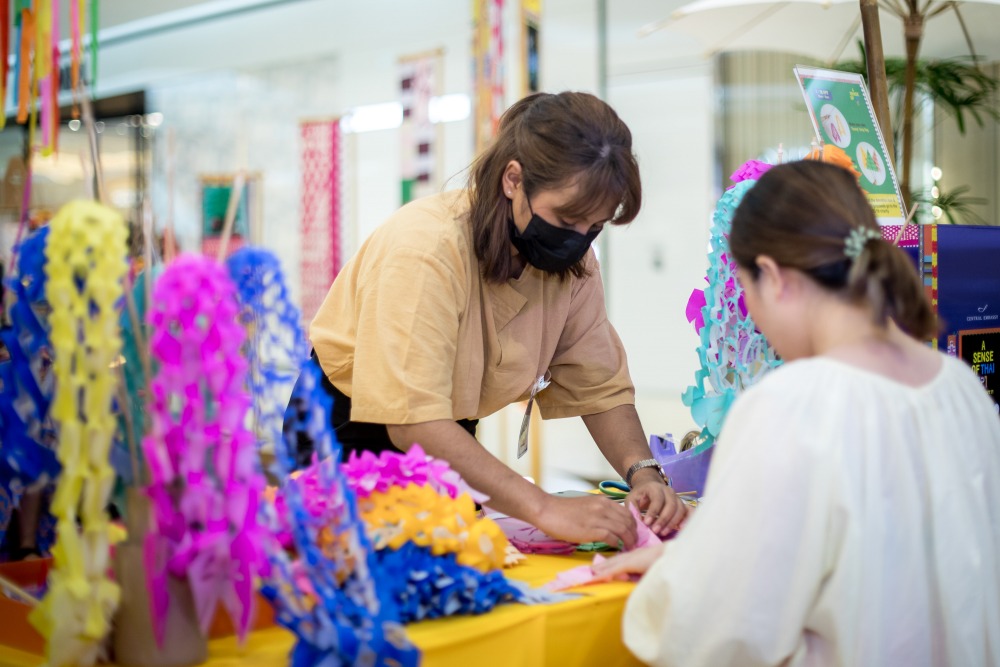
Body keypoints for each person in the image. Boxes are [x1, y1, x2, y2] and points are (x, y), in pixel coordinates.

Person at [596, 160, 1000, 666]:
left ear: (771, 275)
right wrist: (690, 558)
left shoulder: (793, 404)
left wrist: (674, 585)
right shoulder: (959, 388)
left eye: (746, 291)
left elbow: (723, 629)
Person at [300, 91, 688, 548]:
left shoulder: (575, 263)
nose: (579, 240)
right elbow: (411, 420)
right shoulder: (425, 248)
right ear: (513, 180)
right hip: (346, 432)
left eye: (595, 227)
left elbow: (597, 382)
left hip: (447, 433)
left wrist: (643, 474)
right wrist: (542, 507)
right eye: (566, 218)